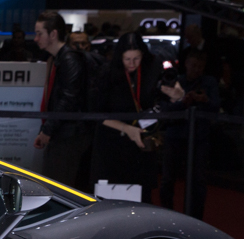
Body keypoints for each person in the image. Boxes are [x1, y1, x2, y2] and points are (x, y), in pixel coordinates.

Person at [91, 33, 160, 196]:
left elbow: (158, 102)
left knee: (141, 197)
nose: (132, 63)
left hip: (140, 145)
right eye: (127, 59)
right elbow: (96, 112)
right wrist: (126, 128)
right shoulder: (107, 72)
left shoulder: (151, 70)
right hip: (112, 144)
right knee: (111, 198)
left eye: (136, 58)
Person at [31, 10, 92, 191]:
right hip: (62, 133)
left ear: (53, 34)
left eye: (39, 33)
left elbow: (68, 99)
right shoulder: (59, 58)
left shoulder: (68, 59)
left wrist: (47, 130)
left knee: (59, 188)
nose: (36, 38)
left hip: (68, 136)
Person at [155, 49, 220, 217]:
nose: (196, 69)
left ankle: (195, 217)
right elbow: (165, 108)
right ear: (186, 64)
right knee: (168, 179)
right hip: (175, 135)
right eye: (193, 65)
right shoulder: (175, 81)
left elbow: (216, 107)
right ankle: (166, 215)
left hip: (199, 137)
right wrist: (183, 102)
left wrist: (205, 100)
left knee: (198, 180)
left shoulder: (209, 82)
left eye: (200, 66)